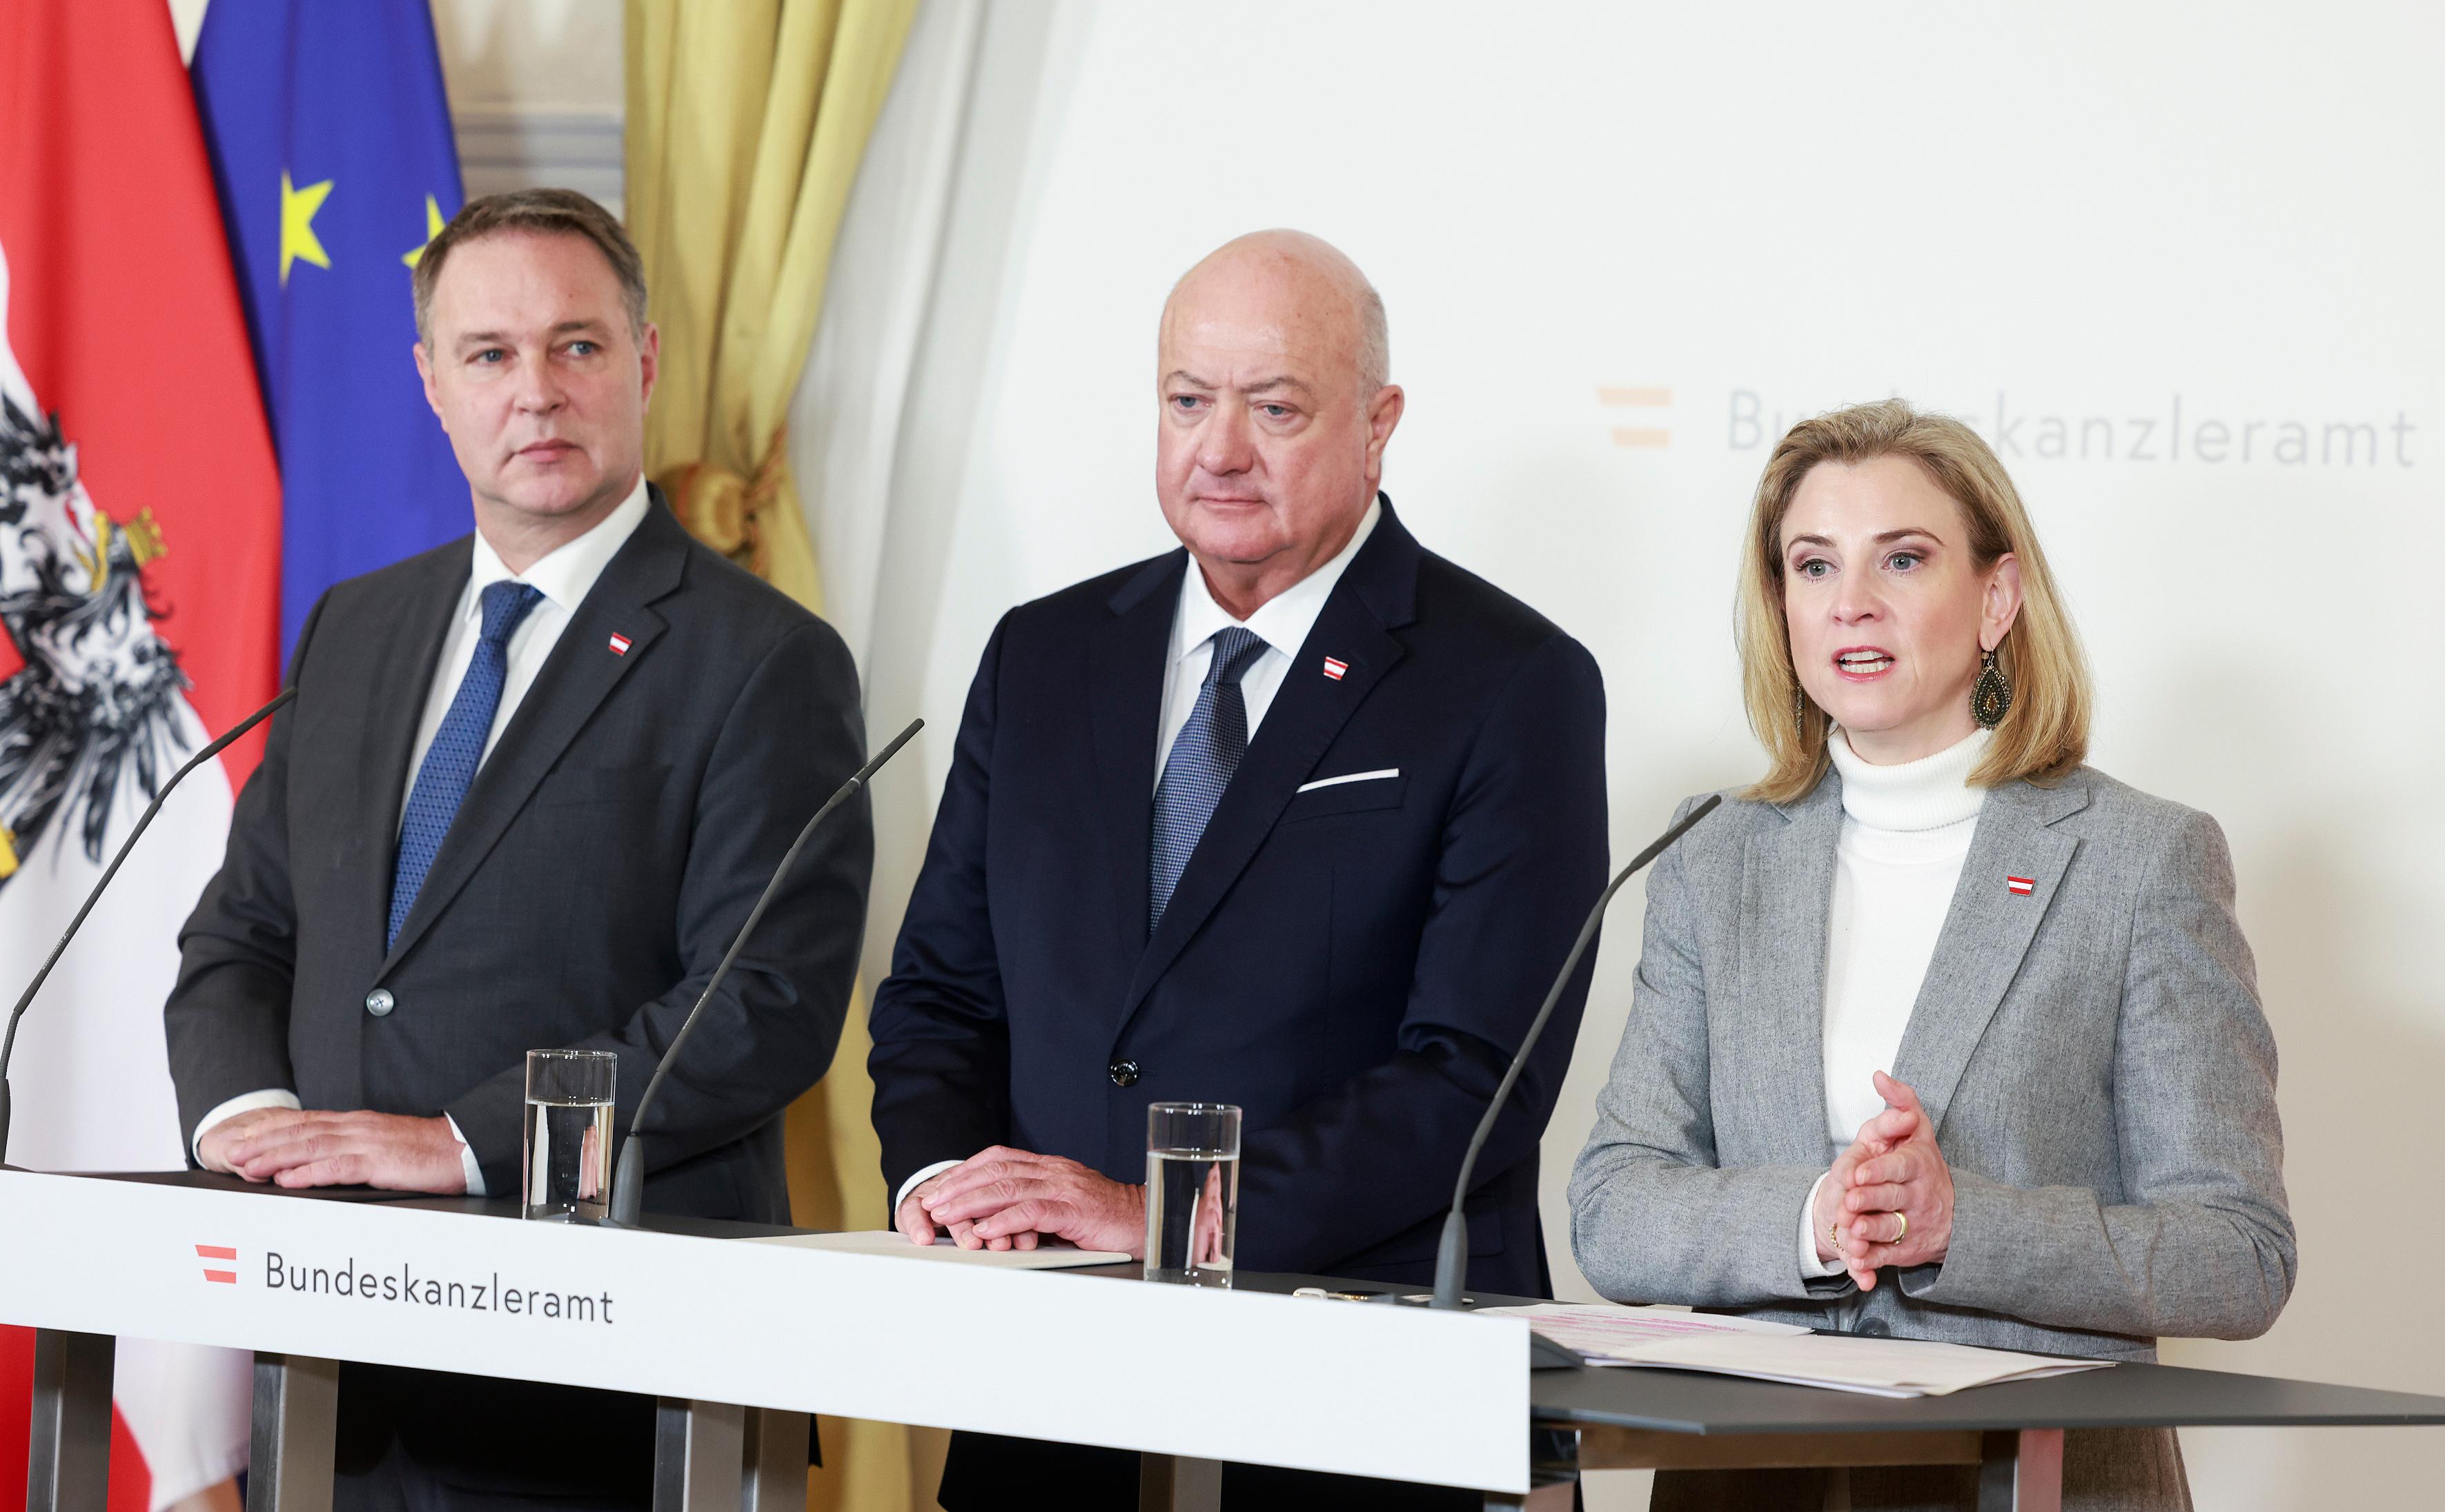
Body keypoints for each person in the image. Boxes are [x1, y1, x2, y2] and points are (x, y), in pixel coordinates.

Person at [867, 230, 1609, 1509]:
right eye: (1187, 402)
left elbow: (1475, 1080)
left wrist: (1164, 1210)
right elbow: (941, 993)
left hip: (1360, 1414)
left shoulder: (1508, 682)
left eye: (1274, 408)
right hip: (1048, 1404)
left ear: (1379, 424)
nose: (1219, 450)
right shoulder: (1044, 656)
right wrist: (947, 1183)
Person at [164, 189, 870, 1512]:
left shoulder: (766, 658)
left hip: (598, 1395)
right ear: (432, 383)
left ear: (645, 363)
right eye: (489, 354)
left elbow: (761, 1006)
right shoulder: (355, 628)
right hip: (330, 1374)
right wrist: (252, 1125)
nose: (534, 391)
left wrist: (462, 1138)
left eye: (578, 346)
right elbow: (244, 936)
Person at [1569, 399, 2294, 1510]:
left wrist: (1966, 1226)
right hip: (1751, 1483)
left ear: (1997, 598)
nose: (1851, 602)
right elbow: (1615, 1208)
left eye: (1901, 559)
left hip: (2036, 1477)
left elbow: (2237, 1254)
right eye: (1813, 566)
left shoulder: (2139, 860)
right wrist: (1819, 1216)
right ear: (1782, 606)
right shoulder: (1714, 855)